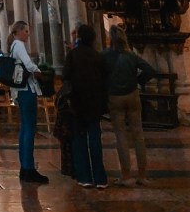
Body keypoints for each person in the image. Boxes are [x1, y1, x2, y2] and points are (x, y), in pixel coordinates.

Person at [102, 25, 157, 186]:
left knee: (121, 136)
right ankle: (142, 175)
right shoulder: (131, 55)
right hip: (132, 95)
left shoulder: (105, 55)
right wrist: (137, 81)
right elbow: (150, 70)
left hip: (115, 97)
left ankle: (125, 176)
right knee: (138, 135)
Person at [62, 24, 107, 189]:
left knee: (79, 140)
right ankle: (101, 178)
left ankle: (85, 177)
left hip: (78, 104)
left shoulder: (73, 55)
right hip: (95, 103)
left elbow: (65, 75)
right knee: (95, 140)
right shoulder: (97, 56)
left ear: (79, 37)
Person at [8, 20, 48, 184]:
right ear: (18, 31)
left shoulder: (13, 46)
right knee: (29, 128)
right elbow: (29, 65)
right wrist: (40, 73)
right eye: (26, 31)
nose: (28, 34)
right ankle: (29, 168)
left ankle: (25, 167)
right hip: (26, 90)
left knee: (25, 128)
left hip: (20, 91)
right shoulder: (18, 44)